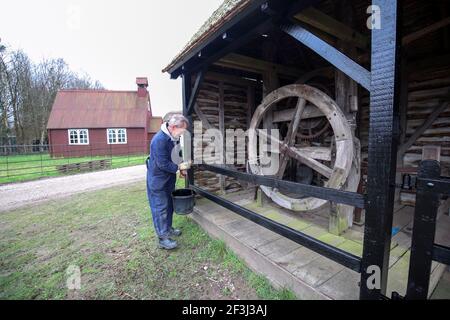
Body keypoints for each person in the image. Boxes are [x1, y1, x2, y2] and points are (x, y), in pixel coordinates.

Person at [146, 114, 191, 250]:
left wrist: (181, 164)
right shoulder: (159, 140)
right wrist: (179, 167)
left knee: (169, 205)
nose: (182, 134)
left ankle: (168, 229)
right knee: (160, 207)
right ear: (172, 127)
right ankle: (163, 238)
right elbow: (162, 164)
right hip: (158, 180)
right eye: (181, 130)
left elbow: (177, 155)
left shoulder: (174, 138)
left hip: (169, 178)